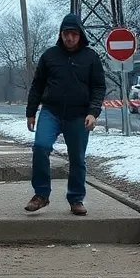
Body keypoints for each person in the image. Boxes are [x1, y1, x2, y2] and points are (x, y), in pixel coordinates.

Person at [24, 13, 105, 216]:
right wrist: (31, 112)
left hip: (79, 115)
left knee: (77, 157)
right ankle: (41, 194)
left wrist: (93, 113)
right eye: (66, 34)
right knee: (41, 147)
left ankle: (76, 198)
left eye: (73, 34)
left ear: (80, 35)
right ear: (60, 34)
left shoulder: (91, 57)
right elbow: (37, 86)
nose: (69, 38)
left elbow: (98, 87)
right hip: (51, 112)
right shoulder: (49, 56)